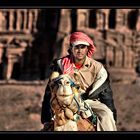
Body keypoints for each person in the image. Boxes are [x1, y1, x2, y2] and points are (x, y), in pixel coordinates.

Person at [41, 31, 117, 131]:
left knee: (106, 115)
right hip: (64, 102)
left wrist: (112, 114)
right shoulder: (60, 65)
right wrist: (46, 119)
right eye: (76, 47)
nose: (79, 51)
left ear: (87, 49)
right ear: (71, 48)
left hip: (89, 102)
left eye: (83, 47)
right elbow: (49, 92)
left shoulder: (97, 68)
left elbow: (106, 94)